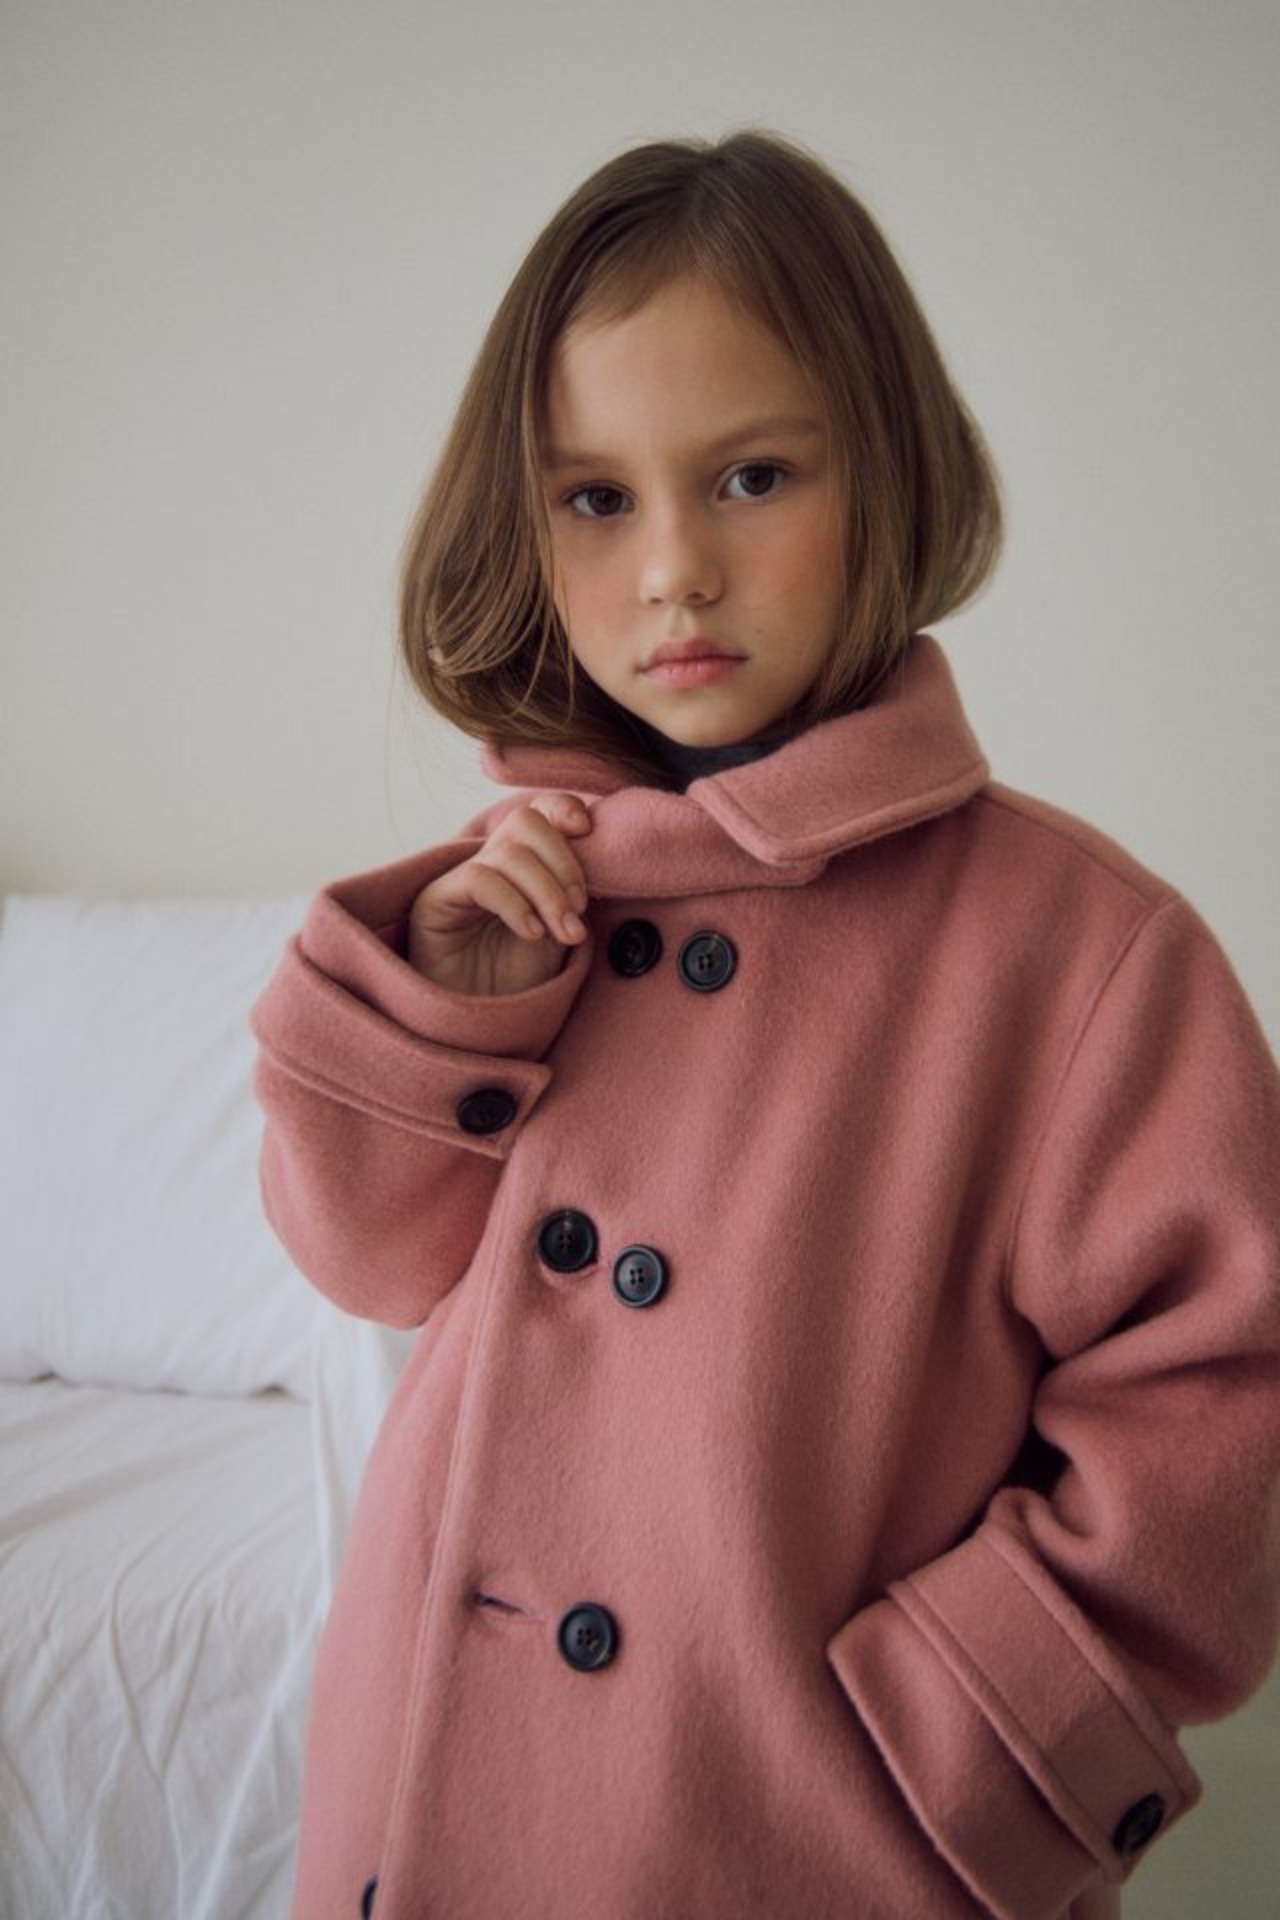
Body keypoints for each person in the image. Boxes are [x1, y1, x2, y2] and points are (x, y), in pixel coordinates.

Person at [250, 129, 1280, 1920]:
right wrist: (450, 1018)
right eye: (596, 499)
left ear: (884, 468)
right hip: (431, 1809)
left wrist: (974, 1741)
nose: (675, 570)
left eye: (750, 477)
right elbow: (364, 1261)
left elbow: (1227, 1406)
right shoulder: (523, 899)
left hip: (808, 1840)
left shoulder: (1082, 954)